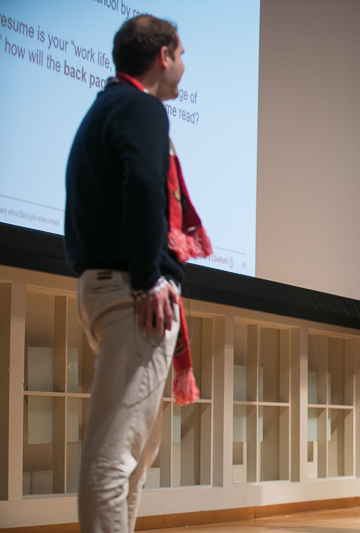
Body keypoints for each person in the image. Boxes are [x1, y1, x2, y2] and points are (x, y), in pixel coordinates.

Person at [65, 14, 210, 533]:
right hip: (133, 294)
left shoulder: (108, 106)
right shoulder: (140, 107)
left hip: (111, 291)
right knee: (115, 455)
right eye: (182, 54)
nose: (185, 66)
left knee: (135, 455)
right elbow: (145, 187)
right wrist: (149, 277)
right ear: (163, 56)